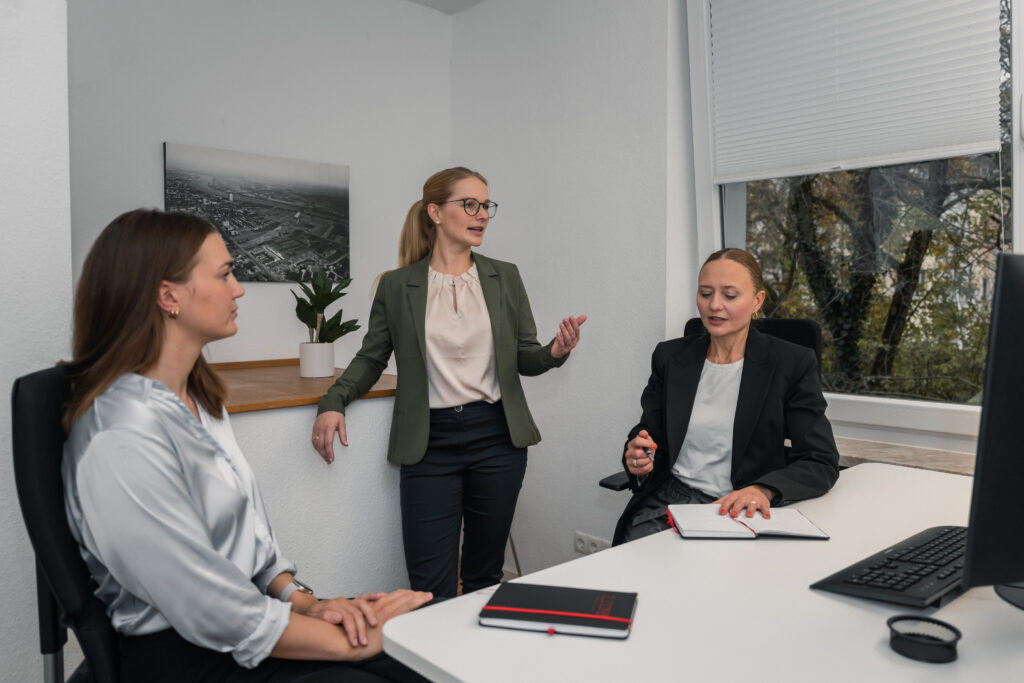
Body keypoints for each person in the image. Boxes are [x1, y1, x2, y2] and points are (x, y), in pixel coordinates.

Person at [62, 209, 432, 683]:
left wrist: (310, 604)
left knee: (422, 653)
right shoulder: (121, 438)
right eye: (224, 274)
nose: (238, 288)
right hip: (184, 660)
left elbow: (245, 540)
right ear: (167, 295)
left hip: (243, 629)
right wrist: (350, 643)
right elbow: (208, 607)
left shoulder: (200, 399)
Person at [312, 167, 586, 598]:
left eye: (486, 206)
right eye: (470, 205)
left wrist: (555, 351)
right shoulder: (397, 286)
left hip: (497, 438)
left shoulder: (505, 276)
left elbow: (525, 358)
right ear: (435, 212)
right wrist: (334, 400)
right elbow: (371, 357)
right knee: (428, 588)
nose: (481, 215)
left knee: (483, 579)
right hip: (429, 443)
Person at [613, 248, 839, 545]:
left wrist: (763, 490)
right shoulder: (670, 357)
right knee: (645, 571)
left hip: (739, 507)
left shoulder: (790, 363)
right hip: (670, 502)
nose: (714, 305)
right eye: (705, 293)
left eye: (730, 295)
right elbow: (649, 431)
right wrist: (639, 454)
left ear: (757, 301)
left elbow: (820, 458)